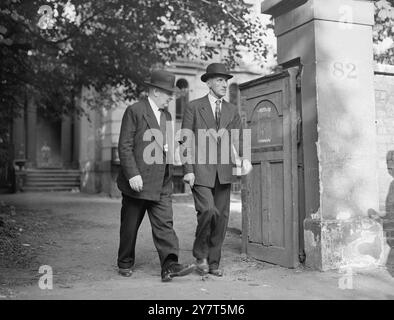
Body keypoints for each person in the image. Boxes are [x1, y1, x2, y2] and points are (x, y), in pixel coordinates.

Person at [116, 69, 195, 282]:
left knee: (165, 225)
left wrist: (177, 147)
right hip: (138, 181)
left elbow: (166, 144)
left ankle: (170, 265)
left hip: (162, 181)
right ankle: (125, 261)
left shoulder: (167, 116)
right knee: (130, 227)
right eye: (168, 93)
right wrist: (132, 174)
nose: (171, 97)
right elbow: (124, 146)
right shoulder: (135, 111)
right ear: (154, 91)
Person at [180, 63, 252, 276]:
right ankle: (200, 254)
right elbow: (185, 140)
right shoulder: (194, 107)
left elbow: (239, 137)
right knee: (208, 211)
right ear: (208, 82)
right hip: (200, 170)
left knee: (221, 217)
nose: (224, 84)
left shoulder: (231, 110)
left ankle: (213, 263)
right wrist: (188, 169)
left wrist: (245, 158)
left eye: (226, 80)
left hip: (224, 172)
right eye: (219, 80)